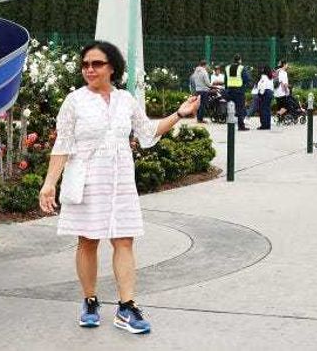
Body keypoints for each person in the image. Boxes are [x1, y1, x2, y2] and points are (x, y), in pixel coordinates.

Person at [39, 40, 200, 334]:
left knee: (124, 240)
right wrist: (49, 183)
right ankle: (89, 300)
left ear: (112, 67)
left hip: (121, 181)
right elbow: (62, 144)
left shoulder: (126, 100)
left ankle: (127, 307)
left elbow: (148, 133)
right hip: (88, 180)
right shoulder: (74, 101)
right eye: (85, 64)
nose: (89, 69)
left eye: (96, 64)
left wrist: (180, 114)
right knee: (87, 240)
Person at [224, 55, 250, 130]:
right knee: (240, 108)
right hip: (239, 91)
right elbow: (246, 78)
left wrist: (226, 89)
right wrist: (244, 86)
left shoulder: (227, 67)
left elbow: (225, 80)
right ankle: (241, 126)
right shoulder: (242, 68)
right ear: (240, 60)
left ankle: (229, 123)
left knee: (230, 108)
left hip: (229, 90)